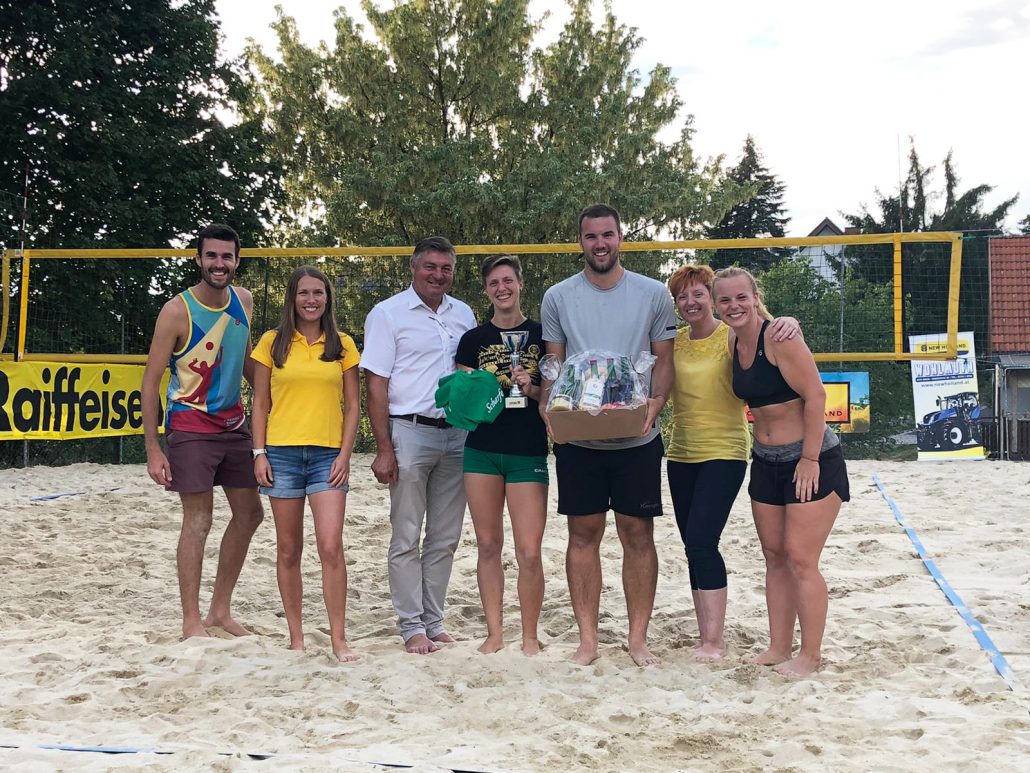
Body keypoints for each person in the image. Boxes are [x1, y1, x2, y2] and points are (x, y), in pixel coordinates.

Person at [540, 203, 675, 667]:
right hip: (580, 438)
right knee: (583, 534)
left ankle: (637, 639)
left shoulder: (653, 293)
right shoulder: (558, 296)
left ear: (621, 237)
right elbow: (555, 363)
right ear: (580, 241)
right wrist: (547, 405)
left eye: (608, 235)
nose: (600, 244)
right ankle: (588, 641)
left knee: (638, 534)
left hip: (636, 436)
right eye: (591, 236)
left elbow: (664, 359)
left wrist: (656, 402)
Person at [713, 266, 849, 677]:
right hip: (765, 460)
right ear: (717, 305)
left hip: (809, 458)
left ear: (755, 297)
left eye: (741, 297)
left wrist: (809, 459)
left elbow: (817, 396)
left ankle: (810, 655)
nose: (734, 306)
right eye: (725, 300)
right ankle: (778, 647)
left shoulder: (778, 337)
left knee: (801, 559)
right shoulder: (732, 340)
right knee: (774, 556)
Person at [666, 263, 797, 662]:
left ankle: (714, 640)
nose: (690, 301)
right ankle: (705, 633)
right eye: (682, 296)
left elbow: (765, 331)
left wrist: (789, 322)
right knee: (692, 545)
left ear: (712, 299)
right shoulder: (673, 342)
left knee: (703, 540)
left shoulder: (730, 335)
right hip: (681, 451)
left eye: (698, 293)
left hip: (724, 450)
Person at [141, 223, 264, 639]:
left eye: (226, 256)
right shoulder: (177, 311)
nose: (219, 263)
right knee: (199, 519)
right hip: (190, 424)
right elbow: (150, 381)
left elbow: (244, 361)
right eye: (211, 255)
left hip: (234, 422)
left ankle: (220, 612)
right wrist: (153, 449)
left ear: (237, 260)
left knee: (250, 514)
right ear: (198, 259)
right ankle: (191, 620)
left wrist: (277, 396)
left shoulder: (244, 300)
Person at [361, 236, 477, 655]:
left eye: (446, 268)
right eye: (430, 266)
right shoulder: (387, 313)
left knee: (444, 538)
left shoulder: (463, 313)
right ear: (413, 267)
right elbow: (376, 383)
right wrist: (384, 448)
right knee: (407, 534)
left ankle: (434, 620)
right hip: (409, 431)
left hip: (457, 433)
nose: (438, 275)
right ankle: (411, 626)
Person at [250, 266, 361, 662]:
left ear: (328, 298)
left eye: (318, 292)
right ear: (292, 298)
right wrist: (258, 453)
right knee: (288, 549)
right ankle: (296, 637)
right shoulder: (272, 342)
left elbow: (354, 406)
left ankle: (338, 639)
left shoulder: (342, 344)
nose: (311, 300)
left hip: (327, 456)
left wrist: (345, 455)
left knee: (330, 547)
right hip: (280, 454)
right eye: (303, 293)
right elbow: (259, 403)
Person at [456, 254, 548, 656]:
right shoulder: (473, 340)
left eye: (508, 280)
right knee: (488, 544)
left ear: (521, 284)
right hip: (482, 451)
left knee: (529, 551)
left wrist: (531, 388)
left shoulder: (543, 335)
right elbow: (464, 406)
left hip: (527, 450)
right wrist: (483, 390)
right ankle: (495, 633)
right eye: (494, 283)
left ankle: (529, 636)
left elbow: (556, 397)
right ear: (486, 290)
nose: (502, 288)